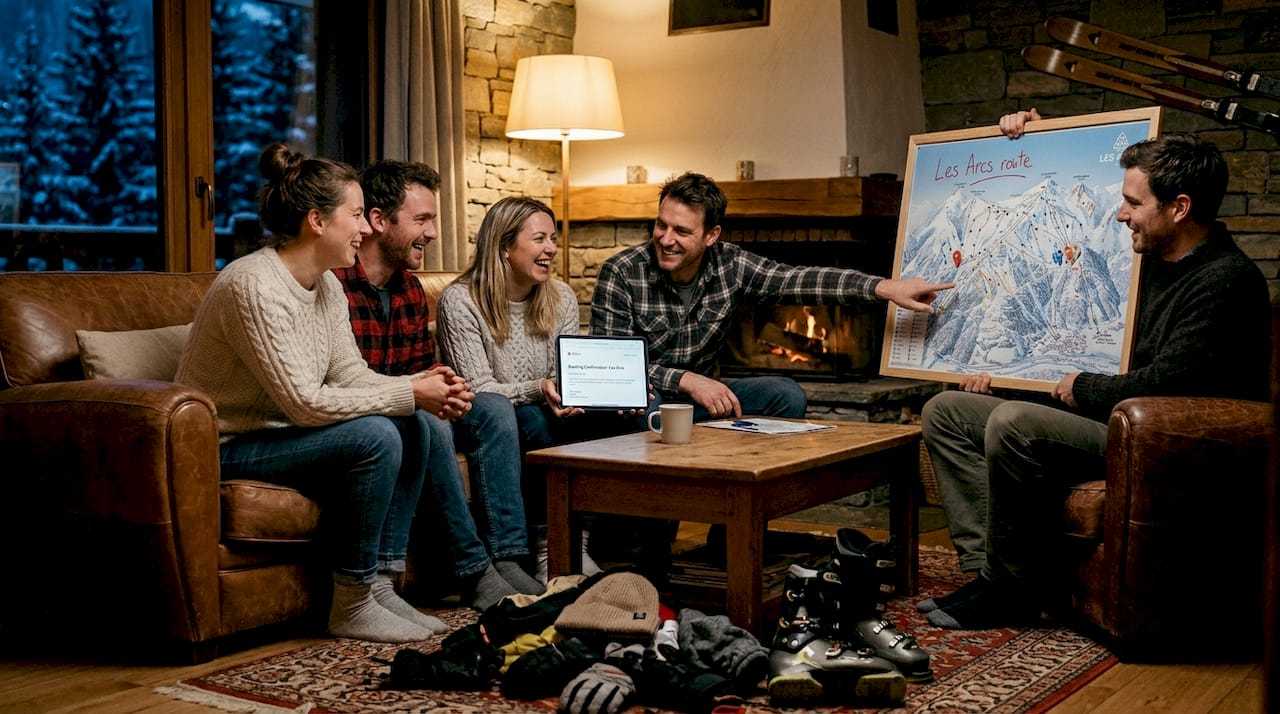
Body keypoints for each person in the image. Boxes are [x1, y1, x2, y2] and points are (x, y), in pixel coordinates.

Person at [918, 112, 1272, 630]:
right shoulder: (1146, 260)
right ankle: (987, 573)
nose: (1118, 214)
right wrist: (1043, 137)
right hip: (1114, 415)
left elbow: (1168, 385)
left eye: (1133, 203)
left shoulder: (1226, 281)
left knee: (1012, 423)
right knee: (946, 411)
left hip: (1160, 437)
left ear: (1180, 209)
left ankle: (1011, 588)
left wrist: (1080, 386)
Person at [175, 144, 473, 643]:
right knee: (378, 434)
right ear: (317, 220)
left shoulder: (327, 286)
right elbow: (305, 401)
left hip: (280, 434)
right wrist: (407, 393)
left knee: (418, 421)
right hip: (227, 447)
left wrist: (422, 390)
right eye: (356, 215)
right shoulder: (252, 285)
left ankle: (380, 584)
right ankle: (352, 602)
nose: (365, 227)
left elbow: (350, 373)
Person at [332, 159, 545, 603]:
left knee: (490, 405)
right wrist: (418, 393)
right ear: (377, 220)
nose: (432, 233)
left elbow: (416, 368)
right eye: (422, 220)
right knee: (424, 421)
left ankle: (507, 557)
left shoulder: (409, 289)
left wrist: (442, 382)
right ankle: (472, 570)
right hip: (368, 416)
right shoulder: (335, 285)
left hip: (407, 406)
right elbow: (341, 382)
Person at [590, 170, 954, 420]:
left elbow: (800, 280)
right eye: (661, 225)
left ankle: (733, 521)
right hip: (643, 404)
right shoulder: (622, 272)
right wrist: (685, 380)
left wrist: (885, 287)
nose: (666, 239)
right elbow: (612, 369)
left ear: (711, 236)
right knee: (642, 414)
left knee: (785, 393)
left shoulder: (730, 264)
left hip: (700, 399)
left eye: (681, 231)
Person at [435, 196, 603, 582]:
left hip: (541, 408)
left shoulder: (559, 297)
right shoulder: (460, 301)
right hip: (482, 416)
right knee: (530, 418)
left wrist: (588, 391)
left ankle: (578, 545)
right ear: (505, 246)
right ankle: (537, 552)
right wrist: (540, 389)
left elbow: (565, 373)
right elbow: (477, 390)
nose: (551, 250)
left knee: (608, 418)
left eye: (553, 239)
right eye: (540, 239)